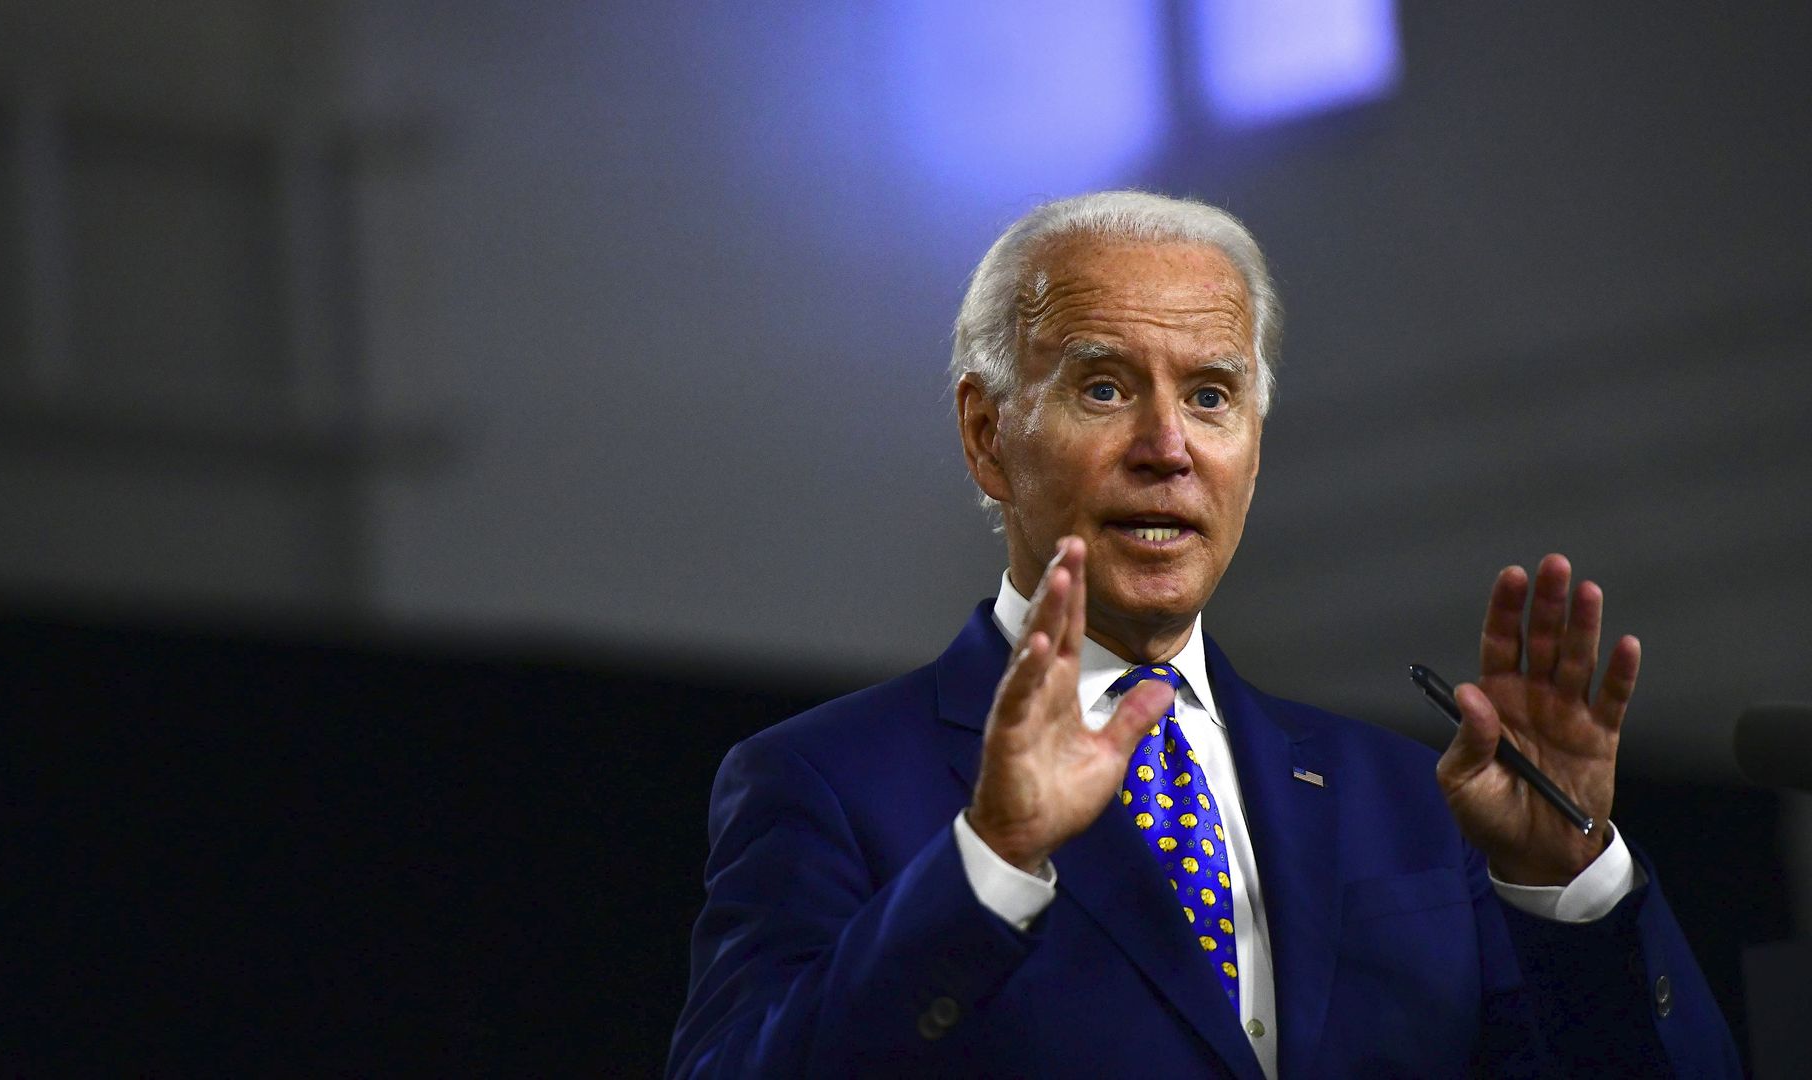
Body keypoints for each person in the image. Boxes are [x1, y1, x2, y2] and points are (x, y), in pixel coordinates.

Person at [667, 192, 1739, 1077]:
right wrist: (989, 862)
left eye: (1213, 395)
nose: (1168, 447)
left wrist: (1571, 887)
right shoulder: (823, 783)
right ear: (988, 437)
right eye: (1103, 387)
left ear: (1256, 447)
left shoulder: (1426, 808)